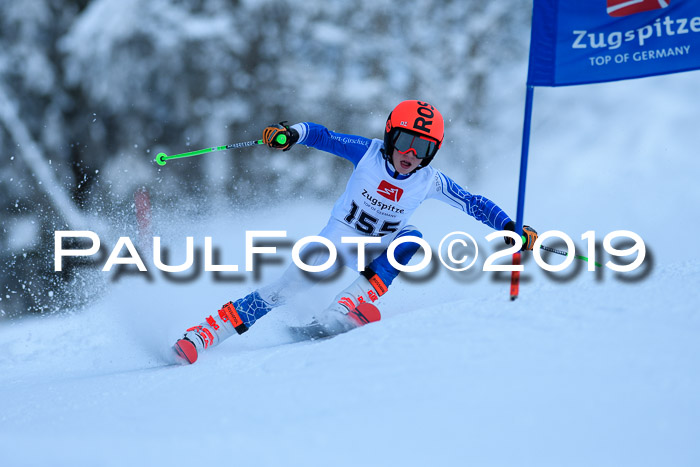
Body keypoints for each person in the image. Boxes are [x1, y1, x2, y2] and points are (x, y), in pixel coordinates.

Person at [173, 100, 538, 364]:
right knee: (282, 291)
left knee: (412, 240)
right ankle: (204, 333)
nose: (411, 153)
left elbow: (473, 202)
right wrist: (290, 135)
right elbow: (323, 136)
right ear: (390, 136)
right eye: (406, 141)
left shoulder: (430, 181)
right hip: (338, 238)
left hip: (380, 244)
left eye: (423, 148)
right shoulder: (368, 154)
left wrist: (511, 228)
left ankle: (345, 305)